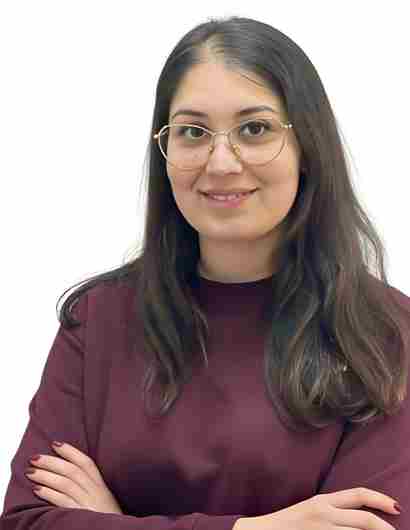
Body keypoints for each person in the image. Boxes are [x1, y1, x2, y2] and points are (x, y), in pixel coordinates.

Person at [1, 15, 410, 530]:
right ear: (165, 150)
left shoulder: (385, 332)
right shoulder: (97, 319)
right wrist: (253, 529)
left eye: (255, 129)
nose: (221, 162)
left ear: (307, 146)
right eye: (193, 132)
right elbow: (27, 522)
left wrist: (112, 522)